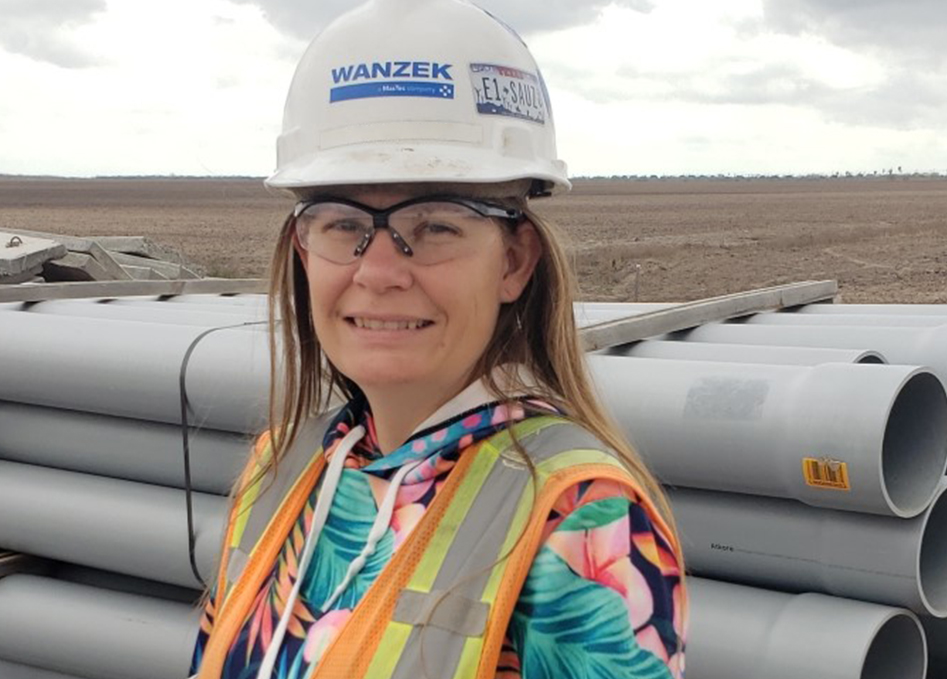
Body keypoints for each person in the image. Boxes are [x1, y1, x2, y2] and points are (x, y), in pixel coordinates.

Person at [190, 0, 686, 677]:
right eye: (340, 222)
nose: (379, 270)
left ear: (513, 260)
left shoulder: (579, 518)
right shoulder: (278, 467)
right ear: (304, 252)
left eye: (436, 224)